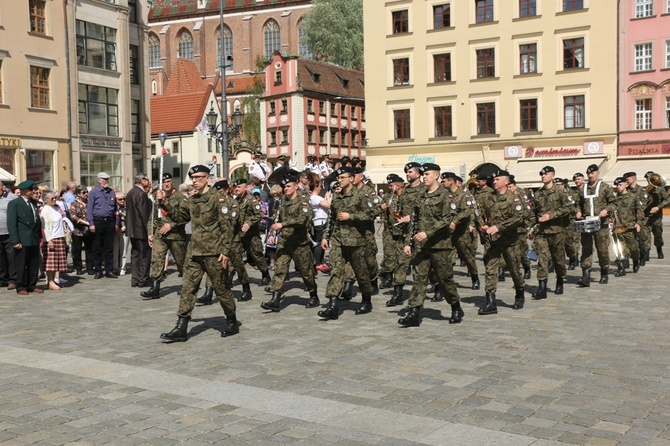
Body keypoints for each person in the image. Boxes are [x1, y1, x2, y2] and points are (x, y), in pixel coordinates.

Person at [158, 165, 238, 342]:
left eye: (198, 177)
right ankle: (181, 327)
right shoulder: (192, 199)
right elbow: (180, 217)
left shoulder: (218, 199)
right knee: (188, 288)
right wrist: (165, 202)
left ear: (207, 178)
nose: (194, 180)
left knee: (221, 289)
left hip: (214, 252)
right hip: (194, 252)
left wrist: (225, 252)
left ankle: (231, 319)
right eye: (192, 177)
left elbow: (227, 228)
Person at [398, 164, 463, 327]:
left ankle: (456, 307)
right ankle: (414, 312)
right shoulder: (420, 195)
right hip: (421, 246)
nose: (424, 176)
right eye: (423, 174)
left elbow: (447, 219)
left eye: (427, 174)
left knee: (445, 279)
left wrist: (428, 232)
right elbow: (414, 220)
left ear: (436, 175)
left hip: (439, 245)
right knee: (419, 279)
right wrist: (409, 242)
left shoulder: (445, 196)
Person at [318, 167, 375, 320]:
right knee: (336, 270)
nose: (340, 180)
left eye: (343, 177)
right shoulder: (337, 197)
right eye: (339, 177)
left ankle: (366, 300)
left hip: (356, 240)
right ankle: (332, 305)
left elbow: (371, 214)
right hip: (338, 240)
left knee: (361, 273)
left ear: (351, 178)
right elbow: (332, 218)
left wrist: (351, 216)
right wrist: (325, 236)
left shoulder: (362, 195)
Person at [260, 175, 319, 312]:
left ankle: (313, 295)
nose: (286, 189)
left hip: (299, 243)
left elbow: (303, 219)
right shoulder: (283, 201)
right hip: (284, 242)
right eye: (284, 187)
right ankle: (275, 299)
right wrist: (273, 234)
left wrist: (283, 224)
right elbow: (277, 218)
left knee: (306, 272)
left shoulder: (303, 200)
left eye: (288, 186)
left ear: (295, 186)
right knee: (280, 269)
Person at [477, 170, 526, 315]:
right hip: (493, 242)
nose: (495, 181)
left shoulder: (514, 199)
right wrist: (483, 224)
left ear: (506, 181)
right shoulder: (488, 198)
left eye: (498, 179)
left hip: (510, 241)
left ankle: (519, 293)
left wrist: (498, 227)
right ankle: (490, 302)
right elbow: (481, 213)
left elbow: (519, 218)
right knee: (490, 270)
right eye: (494, 179)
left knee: (515, 270)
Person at [141, 173, 188, 299]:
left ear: (173, 182)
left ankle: (187, 285)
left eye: (168, 181)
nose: (166, 184)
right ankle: (155, 287)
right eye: (164, 182)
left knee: (181, 261)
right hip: (160, 235)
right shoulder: (158, 198)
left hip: (176, 235)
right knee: (157, 259)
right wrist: (150, 233)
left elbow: (185, 217)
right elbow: (153, 217)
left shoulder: (180, 197)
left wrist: (171, 225)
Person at [386, 162, 425, 307]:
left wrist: (412, 217)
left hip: (420, 233)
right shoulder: (406, 191)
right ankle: (397, 293)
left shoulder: (425, 190)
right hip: (405, 233)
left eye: (410, 172)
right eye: (406, 172)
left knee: (422, 266)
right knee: (401, 263)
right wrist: (400, 218)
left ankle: (432, 289)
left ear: (418, 173)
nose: (407, 174)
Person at [530, 166, 571, 299]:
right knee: (542, 259)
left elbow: (567, 208)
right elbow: (533, 213)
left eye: (546, 174)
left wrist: (551, 215)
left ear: (552, 176)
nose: (543, 176)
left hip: (557, 231)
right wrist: (530, 228)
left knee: (559, 260)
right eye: (542, 174)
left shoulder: (560, 191)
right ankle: (542, 288)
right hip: (542, 232)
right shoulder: (538, 194)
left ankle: (560, 280)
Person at [576, 164, 616, 287]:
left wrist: (606, 210)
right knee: (586, 248)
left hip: (601, 224)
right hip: (587, 223)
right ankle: (585, 275)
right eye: (588, 173)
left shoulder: (605, 188)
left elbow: (614, 203)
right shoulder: (583, 189)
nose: (590, 175)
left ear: (597, 173)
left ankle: (604, 272)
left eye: (592, 173)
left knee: (602, 249)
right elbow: (577, 203)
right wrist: (577, 211)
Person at [441, 172, 480, 290]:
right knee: (446, 257)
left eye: (444, 181)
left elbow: (467, 211)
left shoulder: (464, 195)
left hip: (461, 231)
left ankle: (475, 278)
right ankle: (445, 282)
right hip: (447, 232)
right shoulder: (444, 195)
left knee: (468, 256)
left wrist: (455, 221)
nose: (442, 183)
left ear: (450, 181)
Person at [7, 180, 43, 295]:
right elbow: (12, 224)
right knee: (21, 264)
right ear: (23, 191)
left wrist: (39, 237)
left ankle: (32, 285)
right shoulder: (15, 203)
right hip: (22, 239)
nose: (33, 191)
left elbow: (36, 221)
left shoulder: (33, 202)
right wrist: (15, 240)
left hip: (33, 238)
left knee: (34, 263)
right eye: (31, 190)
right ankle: (21, 286)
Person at [233, 178, 271, 285]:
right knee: (235, 255)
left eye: (239, 187)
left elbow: (259, 214)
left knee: (257, 255)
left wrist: (248, 223)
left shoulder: (251, 200)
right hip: (239, 235)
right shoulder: (236, 201)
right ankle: (232, 276)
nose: (236, 189)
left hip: (251, 235)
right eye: (235, 187)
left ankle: (265, 274)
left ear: (245, 188)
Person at [87, 172, 119, 278]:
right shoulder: (93, 192)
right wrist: (91, 223)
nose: (106, 181)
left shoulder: (111, 192)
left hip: (109, 221)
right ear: (98, 180)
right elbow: (90, 209)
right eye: (104, 179)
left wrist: (116, 223)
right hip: (98, 221)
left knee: (109, 247)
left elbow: (116, 210)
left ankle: (109, 270)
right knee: (97, 247)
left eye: (107, 179)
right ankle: (98, 270)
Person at [612, 177, 644, 276]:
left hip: (630, 226)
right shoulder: (614, 199)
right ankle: (621, 268)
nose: (618, 187)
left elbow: (639, 211)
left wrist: (638, 223)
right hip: (617, 227)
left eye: (620, 185)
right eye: (617, 185)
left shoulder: (633, 197)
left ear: (625, 184)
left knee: (633, 247)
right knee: (619, 248)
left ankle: (635, 260)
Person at [125, 174, 152, 286]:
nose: (148, 181)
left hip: (132, 229)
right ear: (141, 181)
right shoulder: (141, 194)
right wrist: (149, 230)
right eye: (146, 179)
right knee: (144, 255)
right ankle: (143, 279)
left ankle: (135, 278)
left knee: (135, 254)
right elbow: (144, 214)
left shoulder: (131, 192)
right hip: (140, 229)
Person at [40, 190, 69, 291]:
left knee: (56, 262)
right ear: (45, 200)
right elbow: (45, 227)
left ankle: (54, 280)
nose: (54, 199)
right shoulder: (45, 210)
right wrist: (49, 240)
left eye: (55, 197)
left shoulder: (56, 208)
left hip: (59, 237)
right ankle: (50, 281)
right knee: (50, 262)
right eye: (52, 198)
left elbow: (61, 220)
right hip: (51, 238)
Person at [379, 174, 404, 289]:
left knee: (402, 256)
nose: (389, 187)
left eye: (391, 185)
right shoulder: (387, 196)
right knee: (389, 254)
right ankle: (388, 277)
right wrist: (381, 208)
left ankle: (400, 279)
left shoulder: (405, 196)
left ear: (398, 185)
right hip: (389, 230)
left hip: (403, 230)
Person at [643, 171, 670, 259]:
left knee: (658, 234)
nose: (648, 181)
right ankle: (646, 253)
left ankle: (659, 249)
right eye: (647, 179)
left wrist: (658, 207)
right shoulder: (645, 190)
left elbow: (667, 200)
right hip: (646, 216)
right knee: (646, 236)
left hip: (657, 217)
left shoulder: (660, 189)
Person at [70, 186, 94, 275]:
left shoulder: (90, 203)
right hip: (78, 230)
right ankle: (78, 267)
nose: (86, 194)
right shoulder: (74, 203)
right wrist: (85, 222)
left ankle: (90, 267)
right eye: (83, 192)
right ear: (78, 194)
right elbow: (73, 216)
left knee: (89, 249)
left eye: (86, 192)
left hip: (89, 230)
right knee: (77, 249)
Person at [310, 179, 330, 271]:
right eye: (320, 186)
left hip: (320, 221)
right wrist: (328, 197)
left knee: (321, 242)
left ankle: (320, 261)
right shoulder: (315, 198)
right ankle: (317, 262)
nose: (321, 188)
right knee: (319, 243)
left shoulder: (314, 198)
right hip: (320, 222)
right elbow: (328, 205)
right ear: (316, 187)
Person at [0, 181, 18, 289]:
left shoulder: (12, 197)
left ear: (2, 187)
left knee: (11, 257)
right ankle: (2, 279)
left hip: (9, 232)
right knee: (1, 258)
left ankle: (13, 280)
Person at [113, 192, 130, 275]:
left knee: (124, 251)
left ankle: (123, 267)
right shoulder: (113, 208)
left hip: (124, 231)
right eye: (120, 199)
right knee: (115, 251)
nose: (123, 200)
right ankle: (115, 267)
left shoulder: (128, 208)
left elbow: (131, 220)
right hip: (115, 232)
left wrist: (123, 228)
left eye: (124, 199)